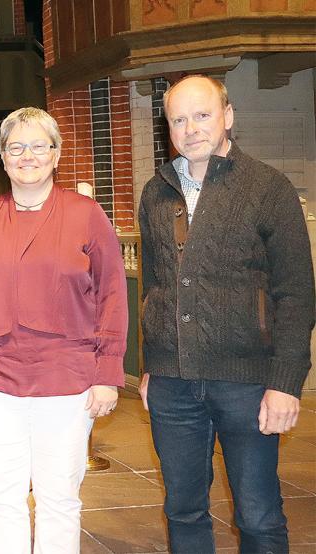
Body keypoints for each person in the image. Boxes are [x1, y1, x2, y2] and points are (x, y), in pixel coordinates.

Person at [138, 74, 315, 554]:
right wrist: (153, 366)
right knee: (183, 509)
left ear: (228, 116)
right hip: (173, 383)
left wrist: (285, 383)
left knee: (258, 514)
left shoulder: (268, 187)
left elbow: (296, 293)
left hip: (247, 383)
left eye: (202, 115)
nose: (191, 128)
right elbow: (154, 286)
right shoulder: (156, 192)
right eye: (179, 119)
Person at [0, 106, 127, 554]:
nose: (27, 156)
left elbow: (112, 295)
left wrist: (107, 373)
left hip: (66, 380)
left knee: (58, 498)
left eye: (39, 146)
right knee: (0, 496)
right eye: (16, 147)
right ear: (3, 158)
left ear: (56, 154)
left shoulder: (86, 214)